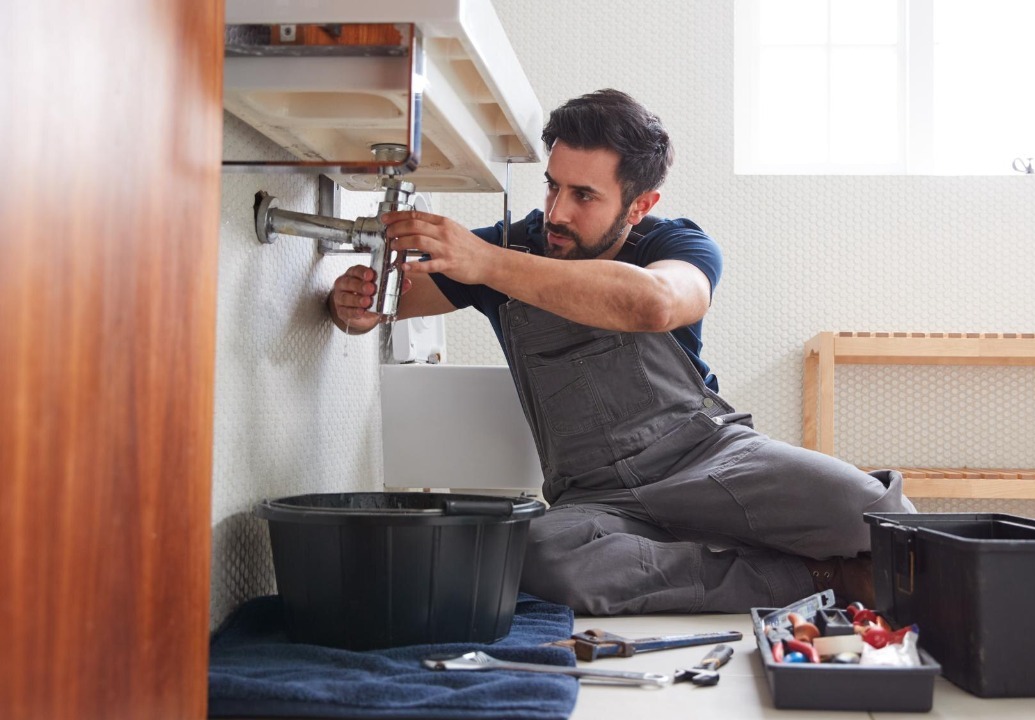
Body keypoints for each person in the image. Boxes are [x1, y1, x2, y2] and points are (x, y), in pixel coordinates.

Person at [329, 89, 916, 615]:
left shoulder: (676, 242)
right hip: (593, 496)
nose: (556, 212)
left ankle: (723, 553)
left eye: (584, 195)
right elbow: (390, 303)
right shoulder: (517, 245)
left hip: (709, 457)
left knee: (880, 517)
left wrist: (488, 263)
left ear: (639, 204)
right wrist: (353, 304)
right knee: (535, 554)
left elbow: (658, 303)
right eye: (553, 185)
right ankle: (817, 575)